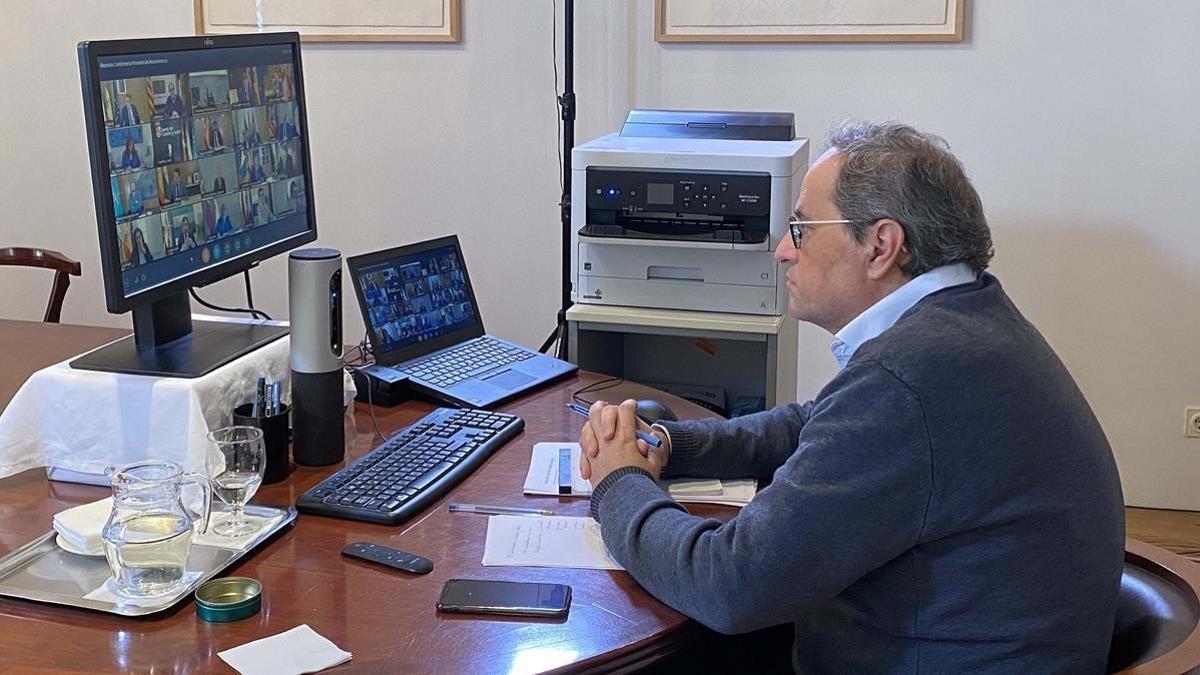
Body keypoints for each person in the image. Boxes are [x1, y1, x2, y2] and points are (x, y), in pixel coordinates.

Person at [577, 122, 1125, 672]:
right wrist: (677, 444)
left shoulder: (910, 377)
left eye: (800, 228)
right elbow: (818, 421)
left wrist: (620, 483)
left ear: (881, 246)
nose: (782, 251)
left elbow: (729, 584)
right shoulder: (967, 318)